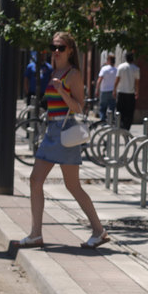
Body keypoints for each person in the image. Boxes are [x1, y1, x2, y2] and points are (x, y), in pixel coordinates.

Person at [17, 32, 109, 249]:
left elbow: (80, 107)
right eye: (53, 46)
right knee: (36, 180)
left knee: (72, 185)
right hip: (52, 131)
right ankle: (36, 234)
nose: (56, 50)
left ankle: (98, 230)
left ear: (70, 50)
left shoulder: (72, 73)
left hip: (65, 131)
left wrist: (61, 91)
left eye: (61, 47)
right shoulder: (54, 70)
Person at [115, 52, 140, 130]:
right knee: (129, 112)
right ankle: (127, 127)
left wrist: (114, 89)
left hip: (121, 92)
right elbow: (137, 82)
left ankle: (120, 126)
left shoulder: (121, 67)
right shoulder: (136, 68)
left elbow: (117, 79)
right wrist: (137, 91)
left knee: (120, 111)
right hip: (130, 93)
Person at [97, 53, 118, 123]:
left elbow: (99, 80)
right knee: (112, 108)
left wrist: (97, 89)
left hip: (104, 91)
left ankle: (103, 122)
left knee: (103, 107)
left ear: (109, 60)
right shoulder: (116, 70)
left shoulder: (104, 69)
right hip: (112, 91)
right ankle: (110, 122)